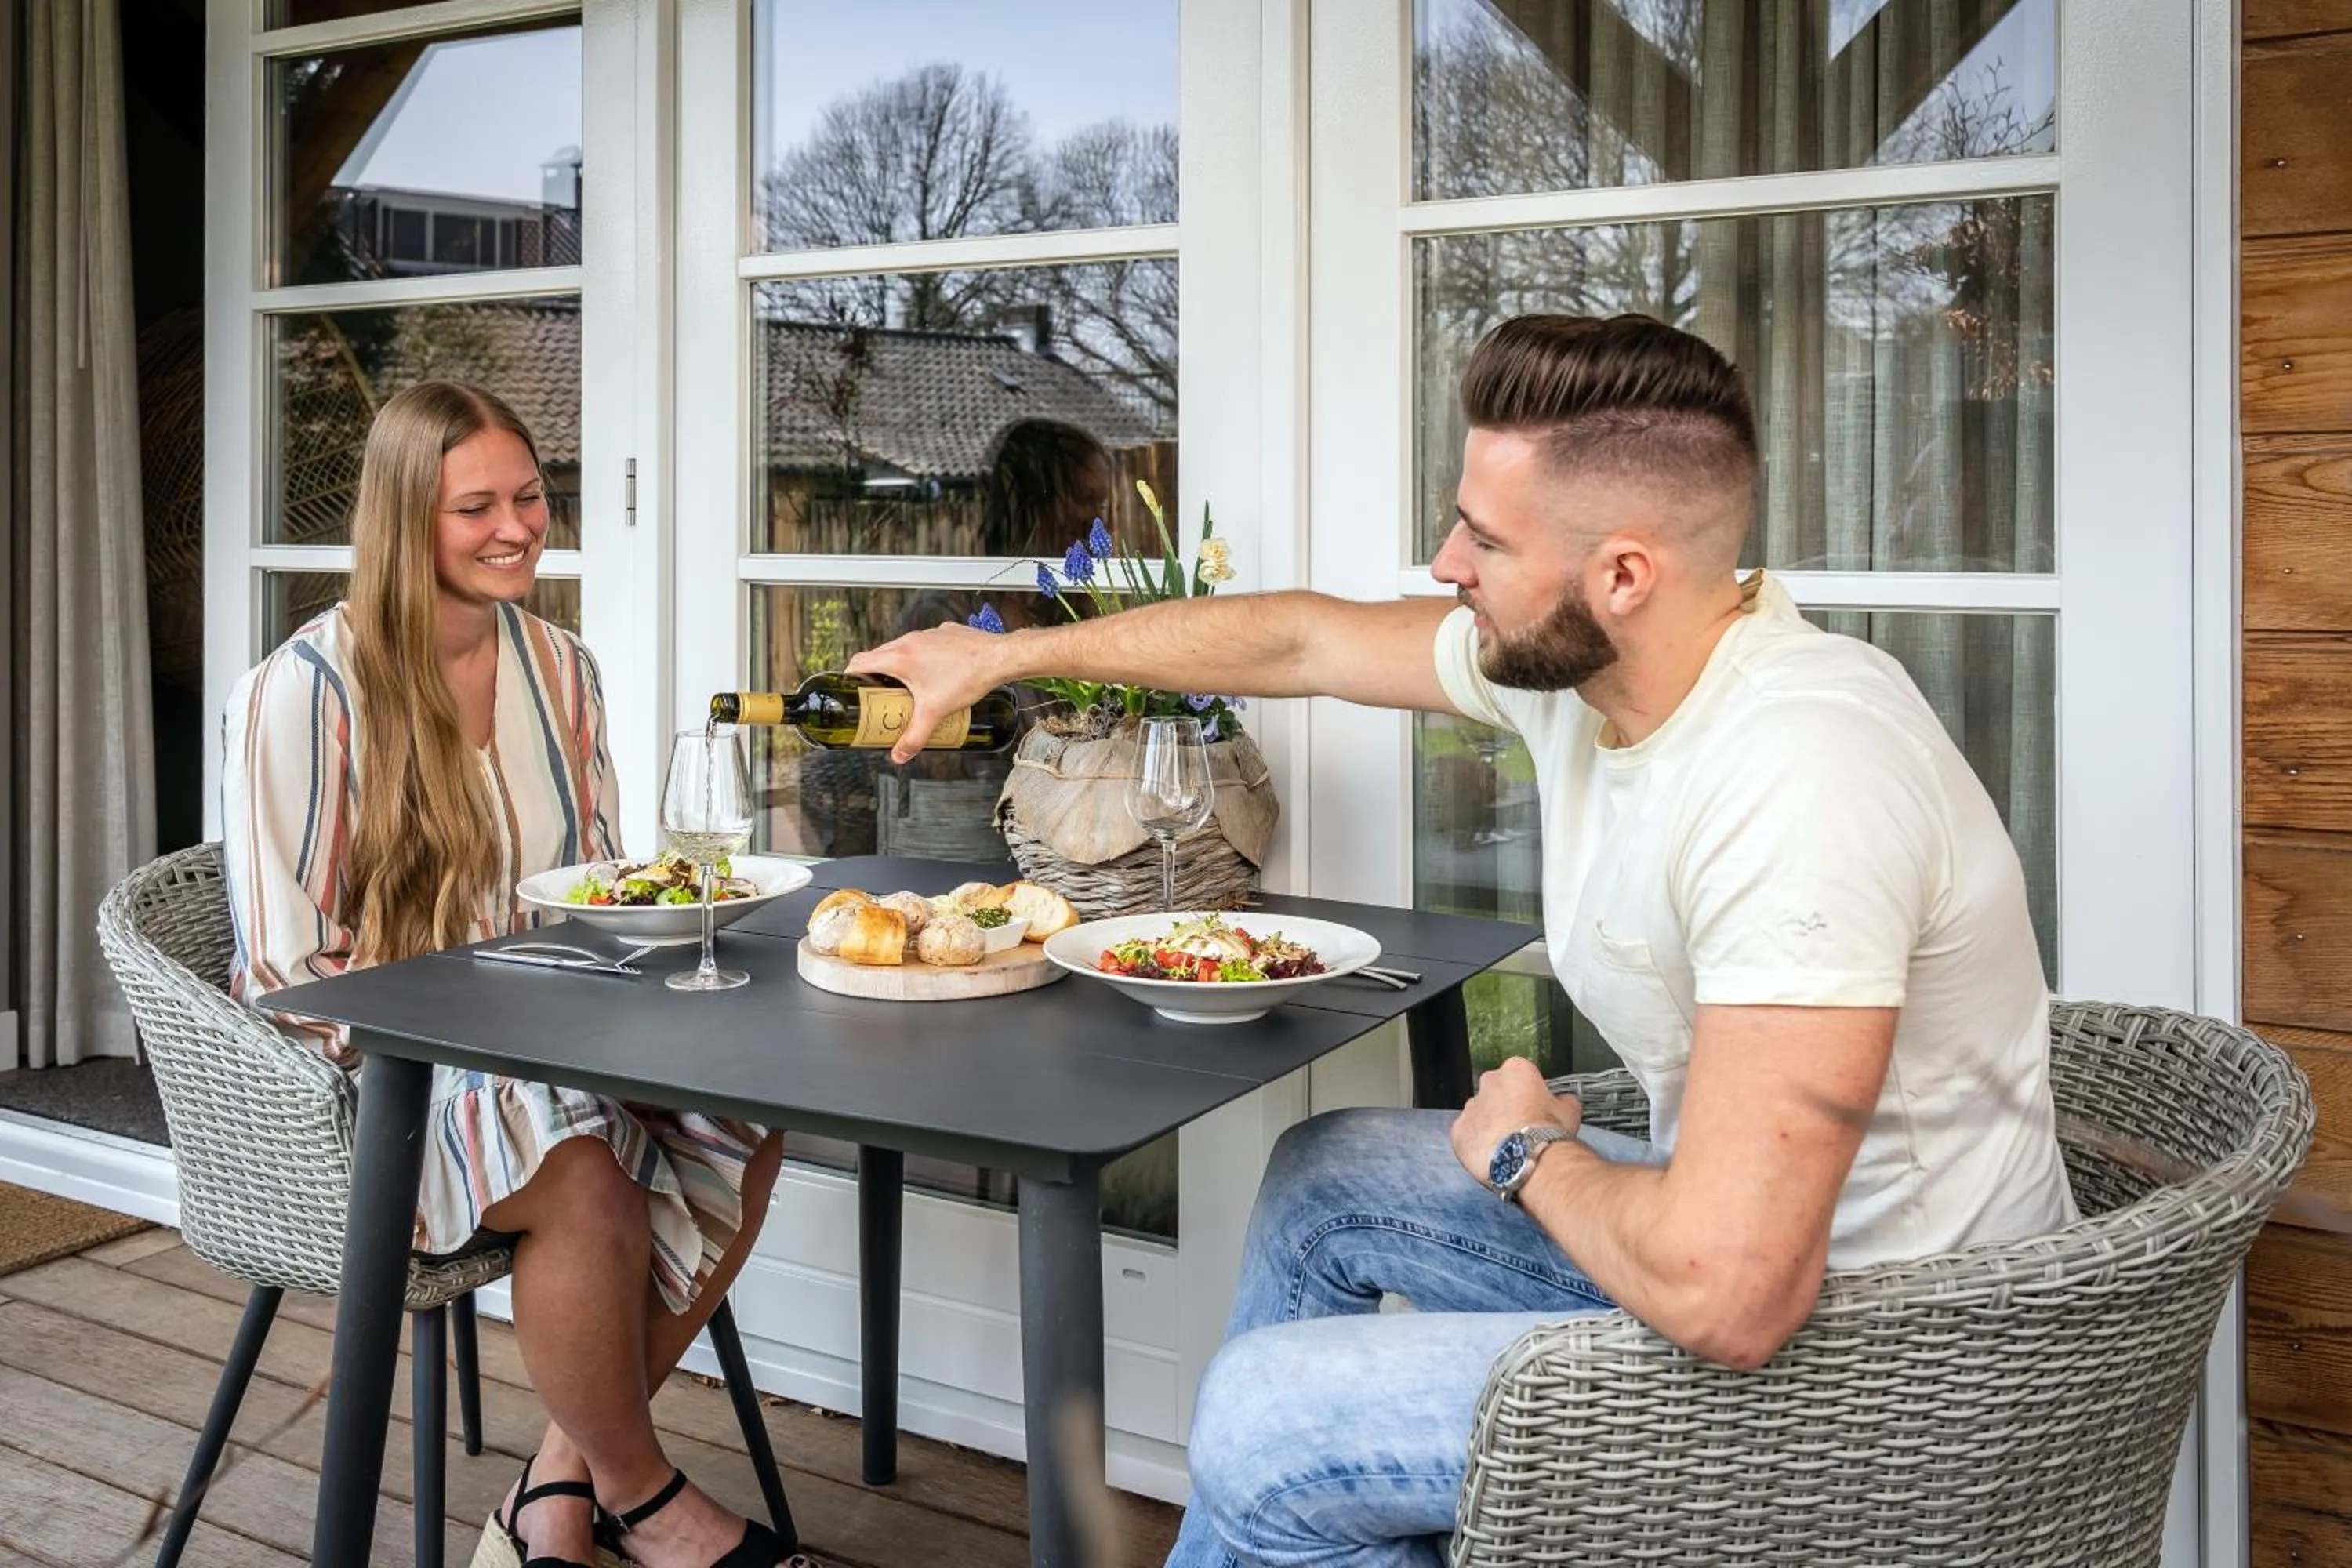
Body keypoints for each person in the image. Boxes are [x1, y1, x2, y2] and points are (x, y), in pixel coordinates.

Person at [845, 313, 2080, 1568]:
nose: (1445, 563)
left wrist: (1532, 1157)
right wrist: (1001, 658)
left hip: (1889, 1375)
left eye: (1485, 539)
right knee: (1326, 1179)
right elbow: (1303, 638)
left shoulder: (1796, 773)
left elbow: (1732, 1295)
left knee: (1271, 1423)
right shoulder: (1606, 671)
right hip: (1752, 1258)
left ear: (1625, 575)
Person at [223, 382, 814, 1568]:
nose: (517, 528)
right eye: (475, 507)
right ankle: (651, 1504)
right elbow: (293, 974)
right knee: (577, 1157)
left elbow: (594, 888)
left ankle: (553, 1485)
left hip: (554, 1026)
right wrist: (476, 1034)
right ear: (406, 522)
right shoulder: (306, 689)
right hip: (363, 1079)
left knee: (751, 1106)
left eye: (531, 497)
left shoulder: (564, 667)